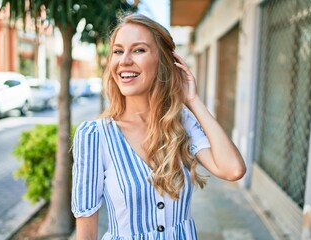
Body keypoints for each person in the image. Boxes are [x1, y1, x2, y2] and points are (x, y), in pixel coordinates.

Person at [71, 13, 246, 240]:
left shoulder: (179, 120)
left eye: (139, 50)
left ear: (163, 61)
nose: (124, 60)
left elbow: (233, 169)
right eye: (118, 51)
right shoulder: (94, 136)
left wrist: (192, 101)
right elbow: (86, 233)